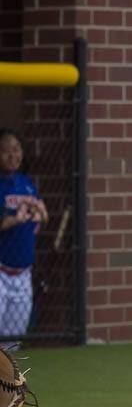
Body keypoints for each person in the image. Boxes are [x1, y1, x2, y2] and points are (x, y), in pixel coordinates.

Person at [0, 129, 49, 353]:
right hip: (1, 271)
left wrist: (40, 212)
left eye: (16, 149)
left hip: (22, 273)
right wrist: (13, 219)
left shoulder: (27, 184)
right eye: (5, 151)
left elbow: (41, 219)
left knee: (13, 342)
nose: (12, 155)